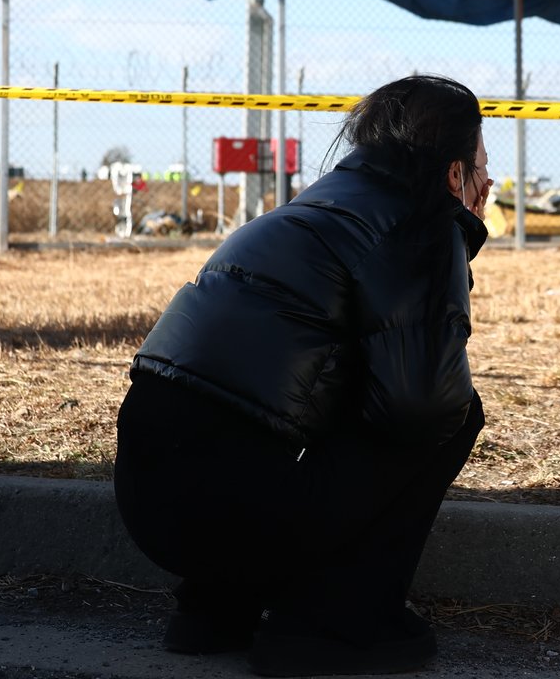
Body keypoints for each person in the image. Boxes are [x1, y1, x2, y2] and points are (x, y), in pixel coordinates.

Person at [113, 74, 493, 676]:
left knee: (316, 386)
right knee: (449, 411)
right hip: (230, 512)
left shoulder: (312, 207)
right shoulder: (419, 225)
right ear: (453, 176)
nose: (487, 186)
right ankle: (334, 624)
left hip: (144, 496)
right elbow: (421, 406)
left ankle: (213, 610)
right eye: (482, 170)